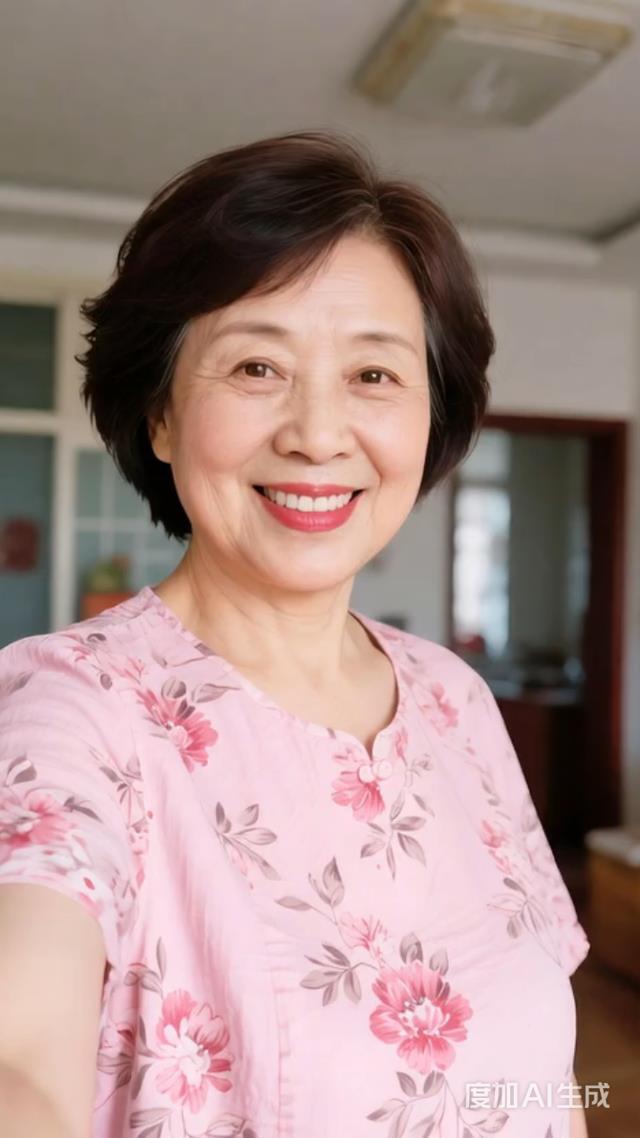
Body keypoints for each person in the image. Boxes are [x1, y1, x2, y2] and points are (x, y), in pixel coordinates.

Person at [0, 130, 589, 1138]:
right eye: (257, 365)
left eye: (374, 376)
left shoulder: (452, 696)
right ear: (160, 415)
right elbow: (20, 1061)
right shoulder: (70, 711)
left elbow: (546, 1079)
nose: (317, 434)